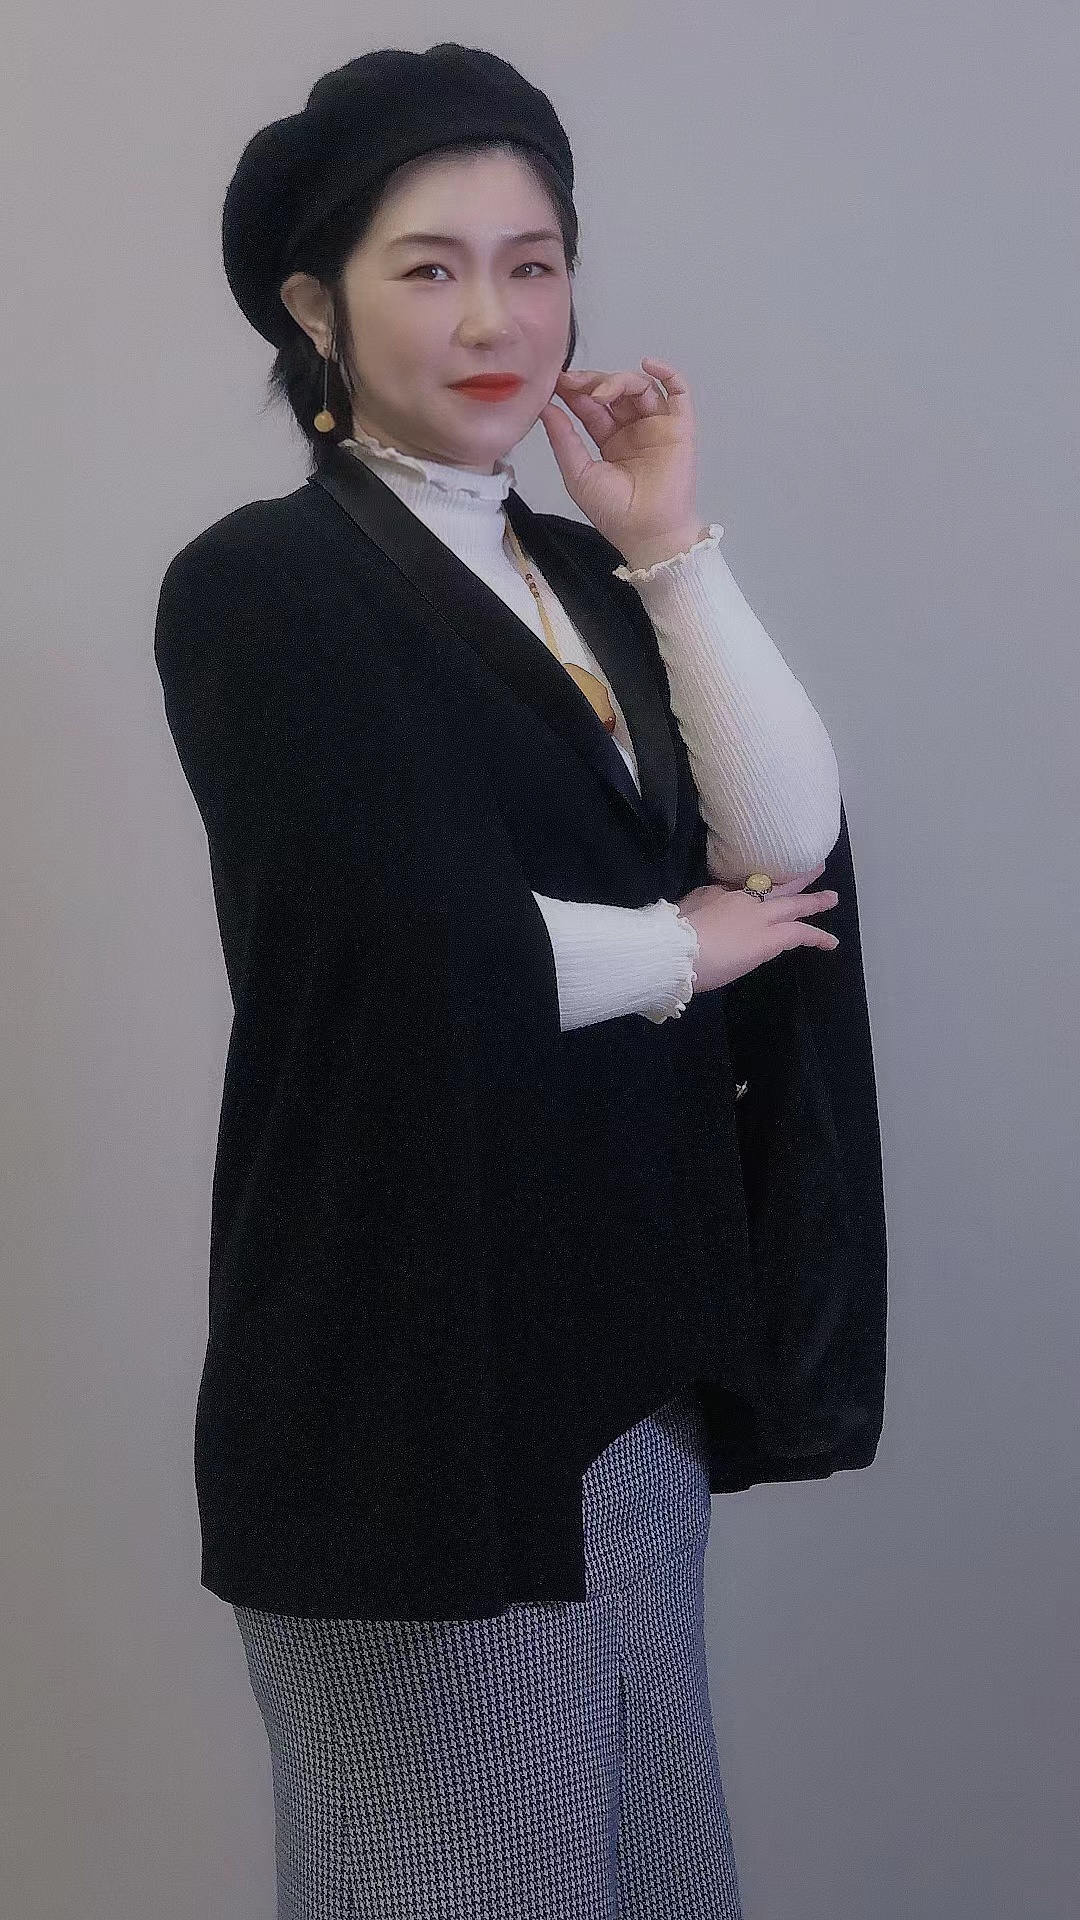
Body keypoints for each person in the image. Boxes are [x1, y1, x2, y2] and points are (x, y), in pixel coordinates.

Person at [154, 42, 887, 1920]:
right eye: (429, 268)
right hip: (411, 1375)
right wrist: (679, 950)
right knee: (465, 1881)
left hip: (615, 1355)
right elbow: (381, 943)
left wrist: (666, 545)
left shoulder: (577, 569)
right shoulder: (264, 588)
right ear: (314, 308)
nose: (497, 317)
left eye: (534, 262)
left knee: (651, 1871)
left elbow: (785, 832)